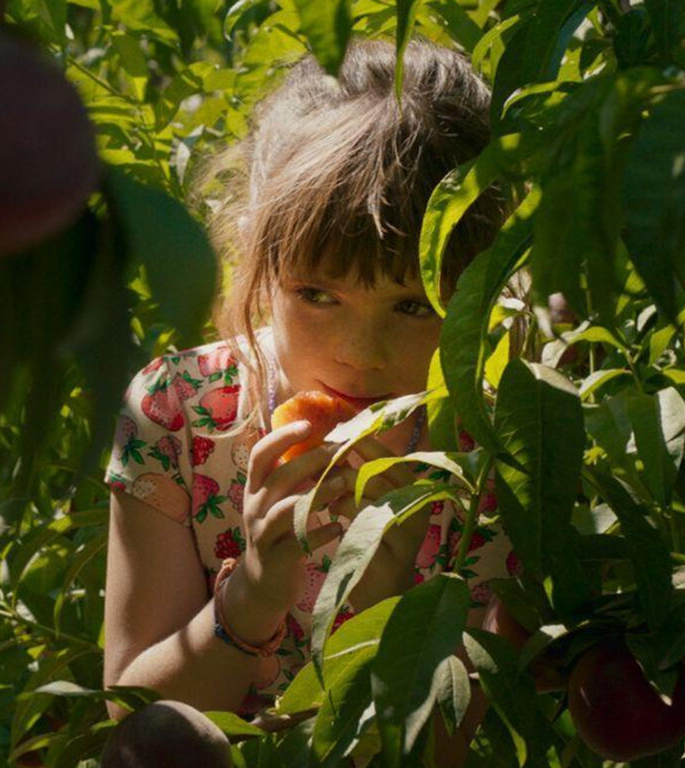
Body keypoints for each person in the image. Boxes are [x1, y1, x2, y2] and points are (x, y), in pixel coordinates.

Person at [101, 36, 518, 762]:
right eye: (318, 295)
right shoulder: (181, 414)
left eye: (412, 306)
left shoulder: (493, 450)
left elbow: (443, 748)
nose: (360, 352)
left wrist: (385, 589)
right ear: (258, 256)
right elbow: (134, 723)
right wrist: (253, 595)